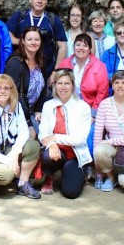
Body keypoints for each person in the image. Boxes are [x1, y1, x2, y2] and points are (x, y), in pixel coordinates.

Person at [0, 74, 41, 199]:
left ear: (11, 90)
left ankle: (23, 184)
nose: (2, 91)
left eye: (6, 88)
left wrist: (15, 152)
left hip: (7, 150)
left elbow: (24, 132)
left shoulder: (16, 106)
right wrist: (6, 161)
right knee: (6, 175)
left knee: (33, 146)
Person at [38, 69, 92, 199]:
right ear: (54, 85)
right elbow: (43, 134)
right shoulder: (48, 105)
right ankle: (49, 176)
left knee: (70, 192)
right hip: (56, 153)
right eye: (59, 83)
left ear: (73, 85)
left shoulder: (83, 107)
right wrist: (51, 144)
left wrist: (55, 138)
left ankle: (79, 173)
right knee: (47, 156)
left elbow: (80, 139)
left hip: (74, 154)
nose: (63, 87)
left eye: (67, 83)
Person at [58, 33, 109, 157]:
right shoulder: (65, 64)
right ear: (73, 47)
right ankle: (68, 160)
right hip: (68, 108)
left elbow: (102, 93)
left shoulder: (99, 66)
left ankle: (88, 162)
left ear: (90, 49)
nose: (81, 48)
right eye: (78, 45)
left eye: (85, 45)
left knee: (89, 133)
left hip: (90, 110)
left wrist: (93, 115)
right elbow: (58, 88)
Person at [6, 0, 67, 81]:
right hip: (20, 71)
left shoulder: (53, 20)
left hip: (46, 73)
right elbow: (6, 37)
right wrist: (26, 42)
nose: (39, 1)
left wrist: (56, 71)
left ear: (46, 1)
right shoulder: (19, 17)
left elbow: (63, 47)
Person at [5, 27, 47, 138]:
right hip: (17, 112)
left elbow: (44, 87)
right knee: (31, 135)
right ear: (23, 41)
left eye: (36, 39)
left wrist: (39, 110)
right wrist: (28, 121)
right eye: (29, 39)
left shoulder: (41, 60)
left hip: (33, 111)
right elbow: (11, 93)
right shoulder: (16, 63)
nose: (33, 42)